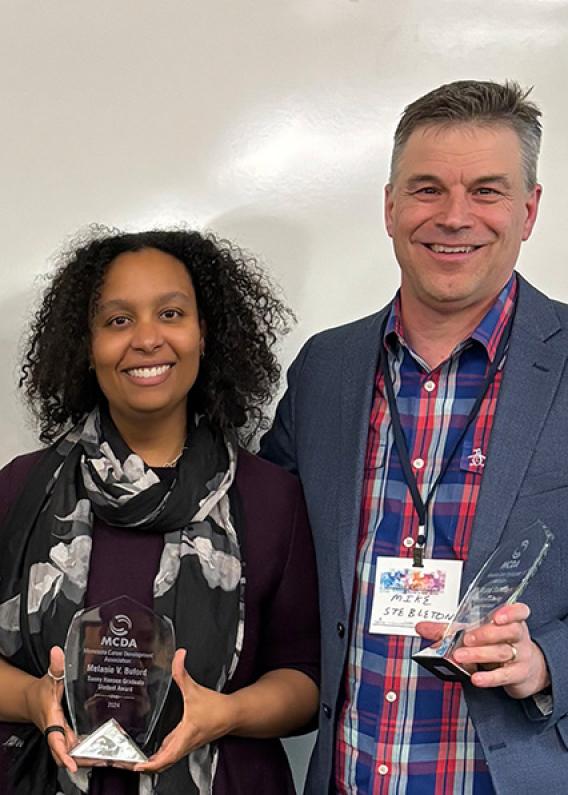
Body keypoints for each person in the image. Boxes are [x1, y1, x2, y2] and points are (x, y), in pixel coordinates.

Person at [261, 80, 568, 794]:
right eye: (427, 189)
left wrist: (548, 659)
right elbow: (261, 542)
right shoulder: (325, 368)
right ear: (390, 206)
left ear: (529, 210)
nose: (454, 216)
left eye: (487, 191)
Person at [0, 228, 320, 795]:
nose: (147, 339)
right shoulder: (21, 488)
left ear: (205, 334)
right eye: (118, 320)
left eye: (171, 313)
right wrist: (32, 698)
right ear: (86, 345)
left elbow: (307, 679)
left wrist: (228, 713)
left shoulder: (272, 498)